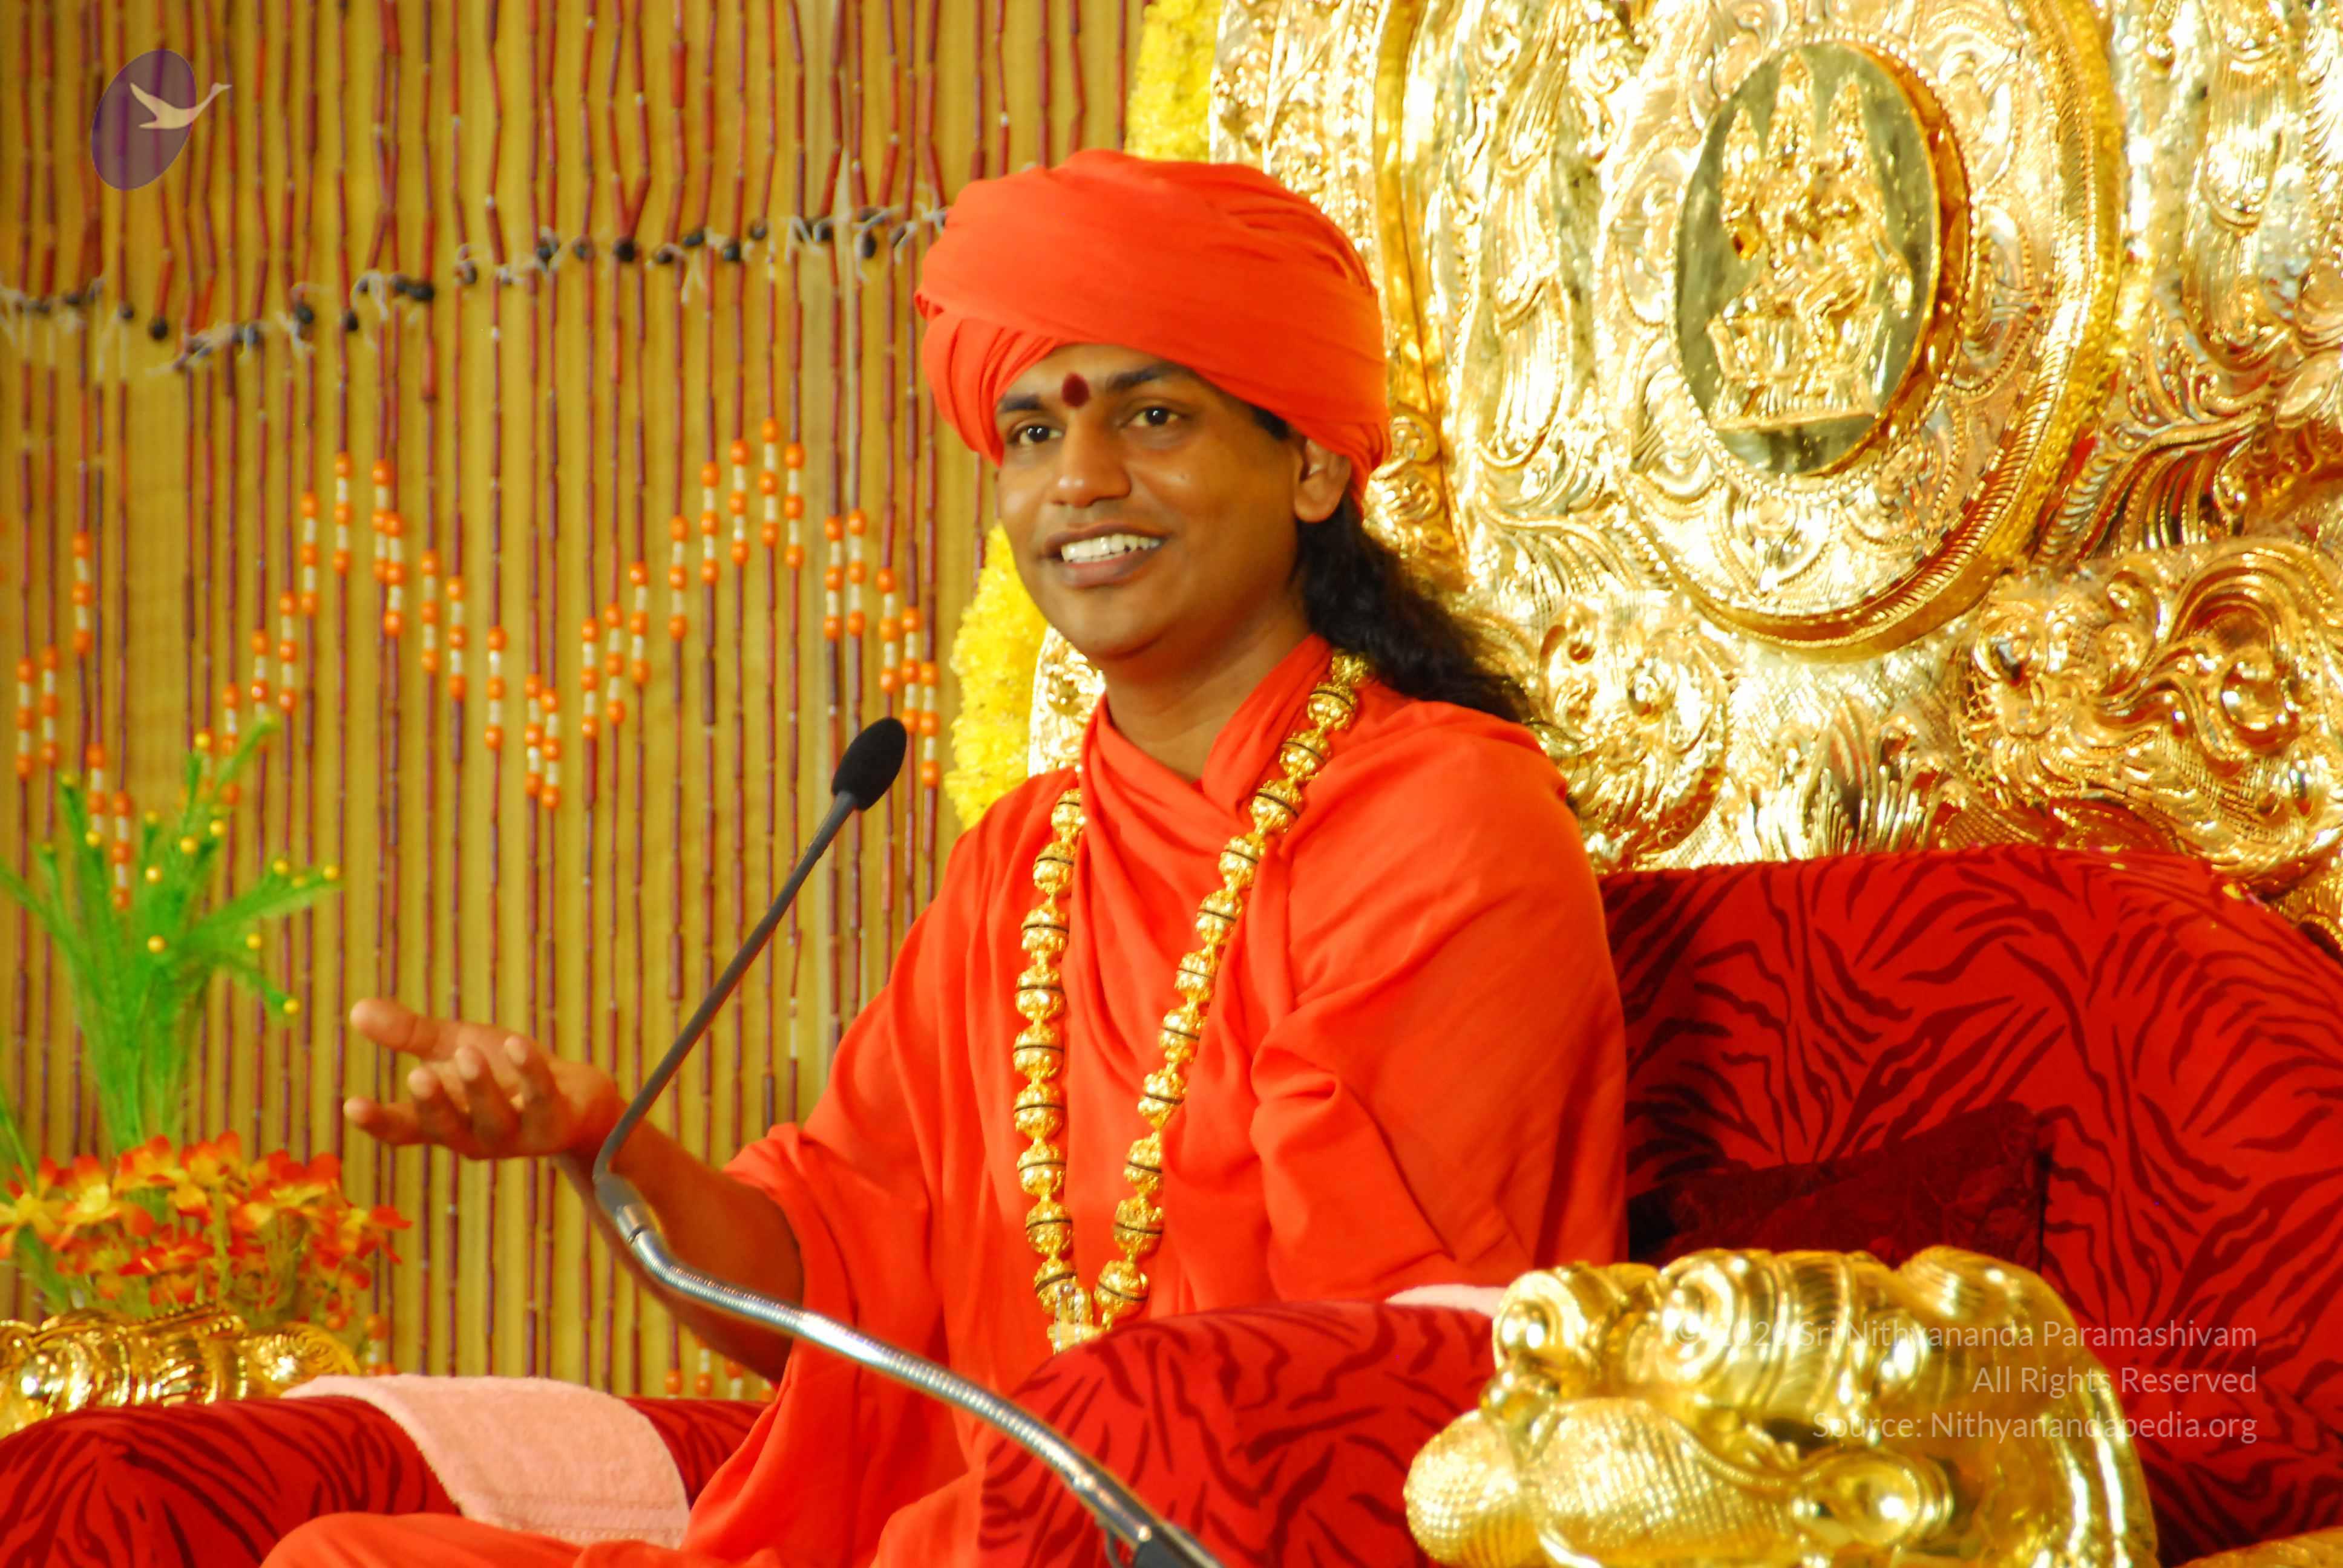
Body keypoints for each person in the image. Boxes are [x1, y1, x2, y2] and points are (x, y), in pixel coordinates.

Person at [266, 149, 1625, 1568]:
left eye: (1153, 415)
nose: (1079, 480)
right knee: (344, 1563)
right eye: (1031, 431)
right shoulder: (1020, 869)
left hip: (1242, 1533)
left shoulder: (1444, 812)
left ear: (1313, 466)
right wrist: (604, 1145)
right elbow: (821, 1289)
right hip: (977, 1540)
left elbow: (1394, 1350)